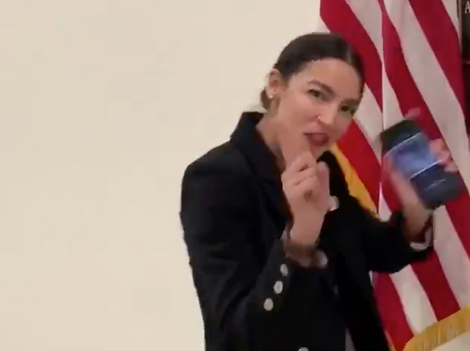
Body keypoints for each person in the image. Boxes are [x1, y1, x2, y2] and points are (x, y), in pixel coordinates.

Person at [179, 32, 455, 351]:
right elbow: (236, 338)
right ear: (275, 85)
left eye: (347, 108)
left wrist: (415, 211)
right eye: (317, 94)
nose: (330, 119)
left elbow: (370, 253)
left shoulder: (324, 166)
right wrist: (300, 240)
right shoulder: (216, 178)